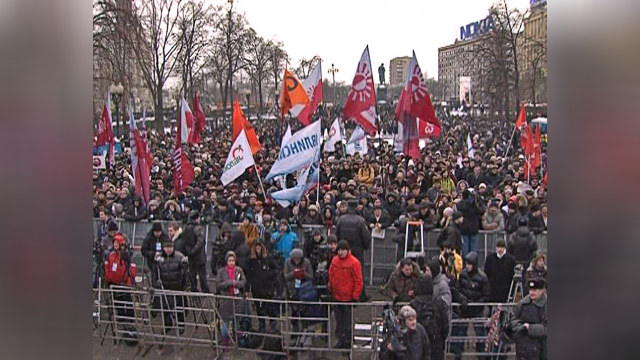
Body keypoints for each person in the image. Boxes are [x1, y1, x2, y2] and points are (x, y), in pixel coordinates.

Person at [454, 251, 490, 359]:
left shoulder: (482, 277)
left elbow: (486, 295)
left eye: (469, 264)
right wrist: (462, 300)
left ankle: (482, 356)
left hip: (477, 309)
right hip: (464, 309)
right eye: (466, 264)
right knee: (461, 333)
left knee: (480, 334)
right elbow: (457, 290)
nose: (467, 266)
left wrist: (477, 303)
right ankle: (458, 354)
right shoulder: (462, 274)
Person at [328, 240, 363, 349]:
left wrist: (355, 296)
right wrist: (331, 287)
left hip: (348, 298)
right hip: (337, 296)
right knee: (339, 322)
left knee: (347, 322)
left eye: (343, 250)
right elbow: (331, 275)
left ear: (348, 250)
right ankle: (341, 340)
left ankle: (348, 343)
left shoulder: (354, 263)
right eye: (339, 250)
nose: (340, 252)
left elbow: (358, 281)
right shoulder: (334, 261)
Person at [334, 199, 371, 301]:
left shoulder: (341, 219)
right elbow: (366, 237)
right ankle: (360, 295)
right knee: (358, 273)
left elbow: (336, 234)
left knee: (344, 273)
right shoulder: (360, 220)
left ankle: (344, 295)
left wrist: (338, 248)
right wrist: (365, 247)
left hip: (343, 250)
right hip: (358, 249)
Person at [410, 275, 449, 360]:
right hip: (436, 344)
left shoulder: (413, 304)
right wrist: (440, 340)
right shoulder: (440, 303)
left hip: (418, 346)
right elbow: (445, 327)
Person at [507, 278, 547, 359]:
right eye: (530, 290)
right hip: (522, 347)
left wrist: (530, 328)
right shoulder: (522, 304)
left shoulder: (546, 305)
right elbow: (512, 319)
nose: (532, 293)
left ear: (542, 291)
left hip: (541, 348)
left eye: (535, 290)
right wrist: (519, 326)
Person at [154, 240, 189, 333]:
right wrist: (156, 282)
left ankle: (181, 324)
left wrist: (185, 284)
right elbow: (155, 271)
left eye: (170, 247)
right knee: (165, 306)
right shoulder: (159, 258)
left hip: (177, 286)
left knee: (179, 307)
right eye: (166, 247)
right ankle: (167, 324)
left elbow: (185, 272)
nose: (168, 249)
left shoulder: (179, 256)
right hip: (165, 286)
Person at [215, 251, 247, 349]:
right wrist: (229, 283)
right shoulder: (221, 271)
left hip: (237, 299)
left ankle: (235, 336)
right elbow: (218, 285)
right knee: (225, 322)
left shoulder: (239, 270)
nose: (231, 262)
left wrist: (236, 283)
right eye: (229, 260)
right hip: (226, 300)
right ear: (226, 261)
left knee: (236, 320)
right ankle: (225, 341)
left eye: (233, 260)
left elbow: (243, 281)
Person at [246, 242, 278, 332]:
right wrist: (248, 288)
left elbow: (276, 269)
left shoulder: (268, 258)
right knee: (259, 308)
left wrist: (269, 275)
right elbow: (248, 275)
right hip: (256, 289)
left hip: (267, 289)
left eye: (259, 246)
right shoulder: (251, 260)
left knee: (269, 307)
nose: (258, 248)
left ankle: (272, 324)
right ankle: (262, 325)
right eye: (256, 246)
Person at [183, 211, 210, 293]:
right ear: (197, 218)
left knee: (192, 273)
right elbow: (200, 241)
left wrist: (189, 251)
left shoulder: (186, 228)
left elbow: (185, 241)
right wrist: (194, 250)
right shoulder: (198, 228)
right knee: (202, 274)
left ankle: (194, 288)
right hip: (199, 255)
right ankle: (205, 290)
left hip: (190, 255)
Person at [455, 189, 484, 257]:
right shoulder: (473, 205)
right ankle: (473, 265)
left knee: (465, 249)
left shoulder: (459, 204)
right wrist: (478, 200)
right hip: (473, 229)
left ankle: (465, 265)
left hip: (463, 229)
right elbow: (482, 210)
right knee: (474, 250)